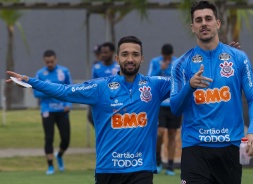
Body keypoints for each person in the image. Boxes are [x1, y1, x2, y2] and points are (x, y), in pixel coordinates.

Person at [7, 36, 170, 184]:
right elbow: (64, 91)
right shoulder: (100, 87)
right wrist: (31, 81)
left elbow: (187, 80)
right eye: (125, 54)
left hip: (141, 171)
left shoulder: (155, 85)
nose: (130, 59)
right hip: (108, 169)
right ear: (117, 58)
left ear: (142, 59)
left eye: (135, 54)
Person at [170, 1, 253, 184]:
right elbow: (175, 108)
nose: (203, 23)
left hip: (230, 147)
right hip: (195, 148)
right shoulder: (181, 63)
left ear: (217, 23)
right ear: (193, 27)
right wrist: (189, 86)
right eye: (198, 20)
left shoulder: (239, 58)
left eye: (208, 18)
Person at [33, 50, 73, 175]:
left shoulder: (64, 71)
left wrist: (68, 105)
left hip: (62, 109)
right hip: (47, 109)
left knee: (66, 139)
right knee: (49, 137)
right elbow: (36, 92)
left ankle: (59, 155)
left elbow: (70, 89)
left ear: (55, 59)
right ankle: (50, 166)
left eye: (52, 61)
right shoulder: (40, 74)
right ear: (44, 61)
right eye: (47, 62)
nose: (50, 64)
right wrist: (50, 90)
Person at [147, 43, 182, 176]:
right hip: (160, 105)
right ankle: (158, 160)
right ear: (162, 54)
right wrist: (160, 69)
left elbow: (181, 80)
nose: (167, 59)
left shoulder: (178, 62)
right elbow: (149, 79)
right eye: (165, 56)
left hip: (174, 104)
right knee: (160, 133)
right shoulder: (155, 62)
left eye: (169, 56)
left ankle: (171, 166)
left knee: (172, 134)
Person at [87, 42, 120, 126]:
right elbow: (93, 83)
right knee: (91, 117)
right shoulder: (96, 67)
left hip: (114, 100)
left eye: (106, 52)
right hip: (99, 99)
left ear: (112, 52)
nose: (103, 55)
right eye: (102, 52)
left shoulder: (118, 67)